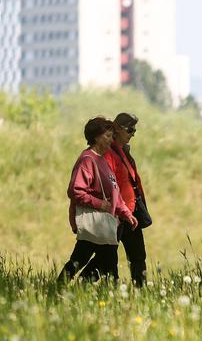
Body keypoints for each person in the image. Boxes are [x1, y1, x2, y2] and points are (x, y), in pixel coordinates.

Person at [58, 116, 136, 282]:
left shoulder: (102, 159)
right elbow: (76, 191)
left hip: (106, 222)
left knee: (104, 262)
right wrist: (102, 205)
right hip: (95, 222)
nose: (111, 140)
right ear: (96, 137)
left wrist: (125, 212)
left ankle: (69, 288)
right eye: (107, 136)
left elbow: (114, 191)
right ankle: (60, 287)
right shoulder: (87, 160)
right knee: (82, 260)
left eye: (111, 136)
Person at [105, 112, 150, 286]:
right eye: (130, 130)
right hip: (117, 214)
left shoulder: (123, 151)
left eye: (134, 130)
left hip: (131, 212)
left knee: (138, 255)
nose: (133, 134)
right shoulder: (109, 153)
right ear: (118, 129)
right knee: (108, 256)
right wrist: (120, 209)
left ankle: (140, 289)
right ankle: (109, 287)